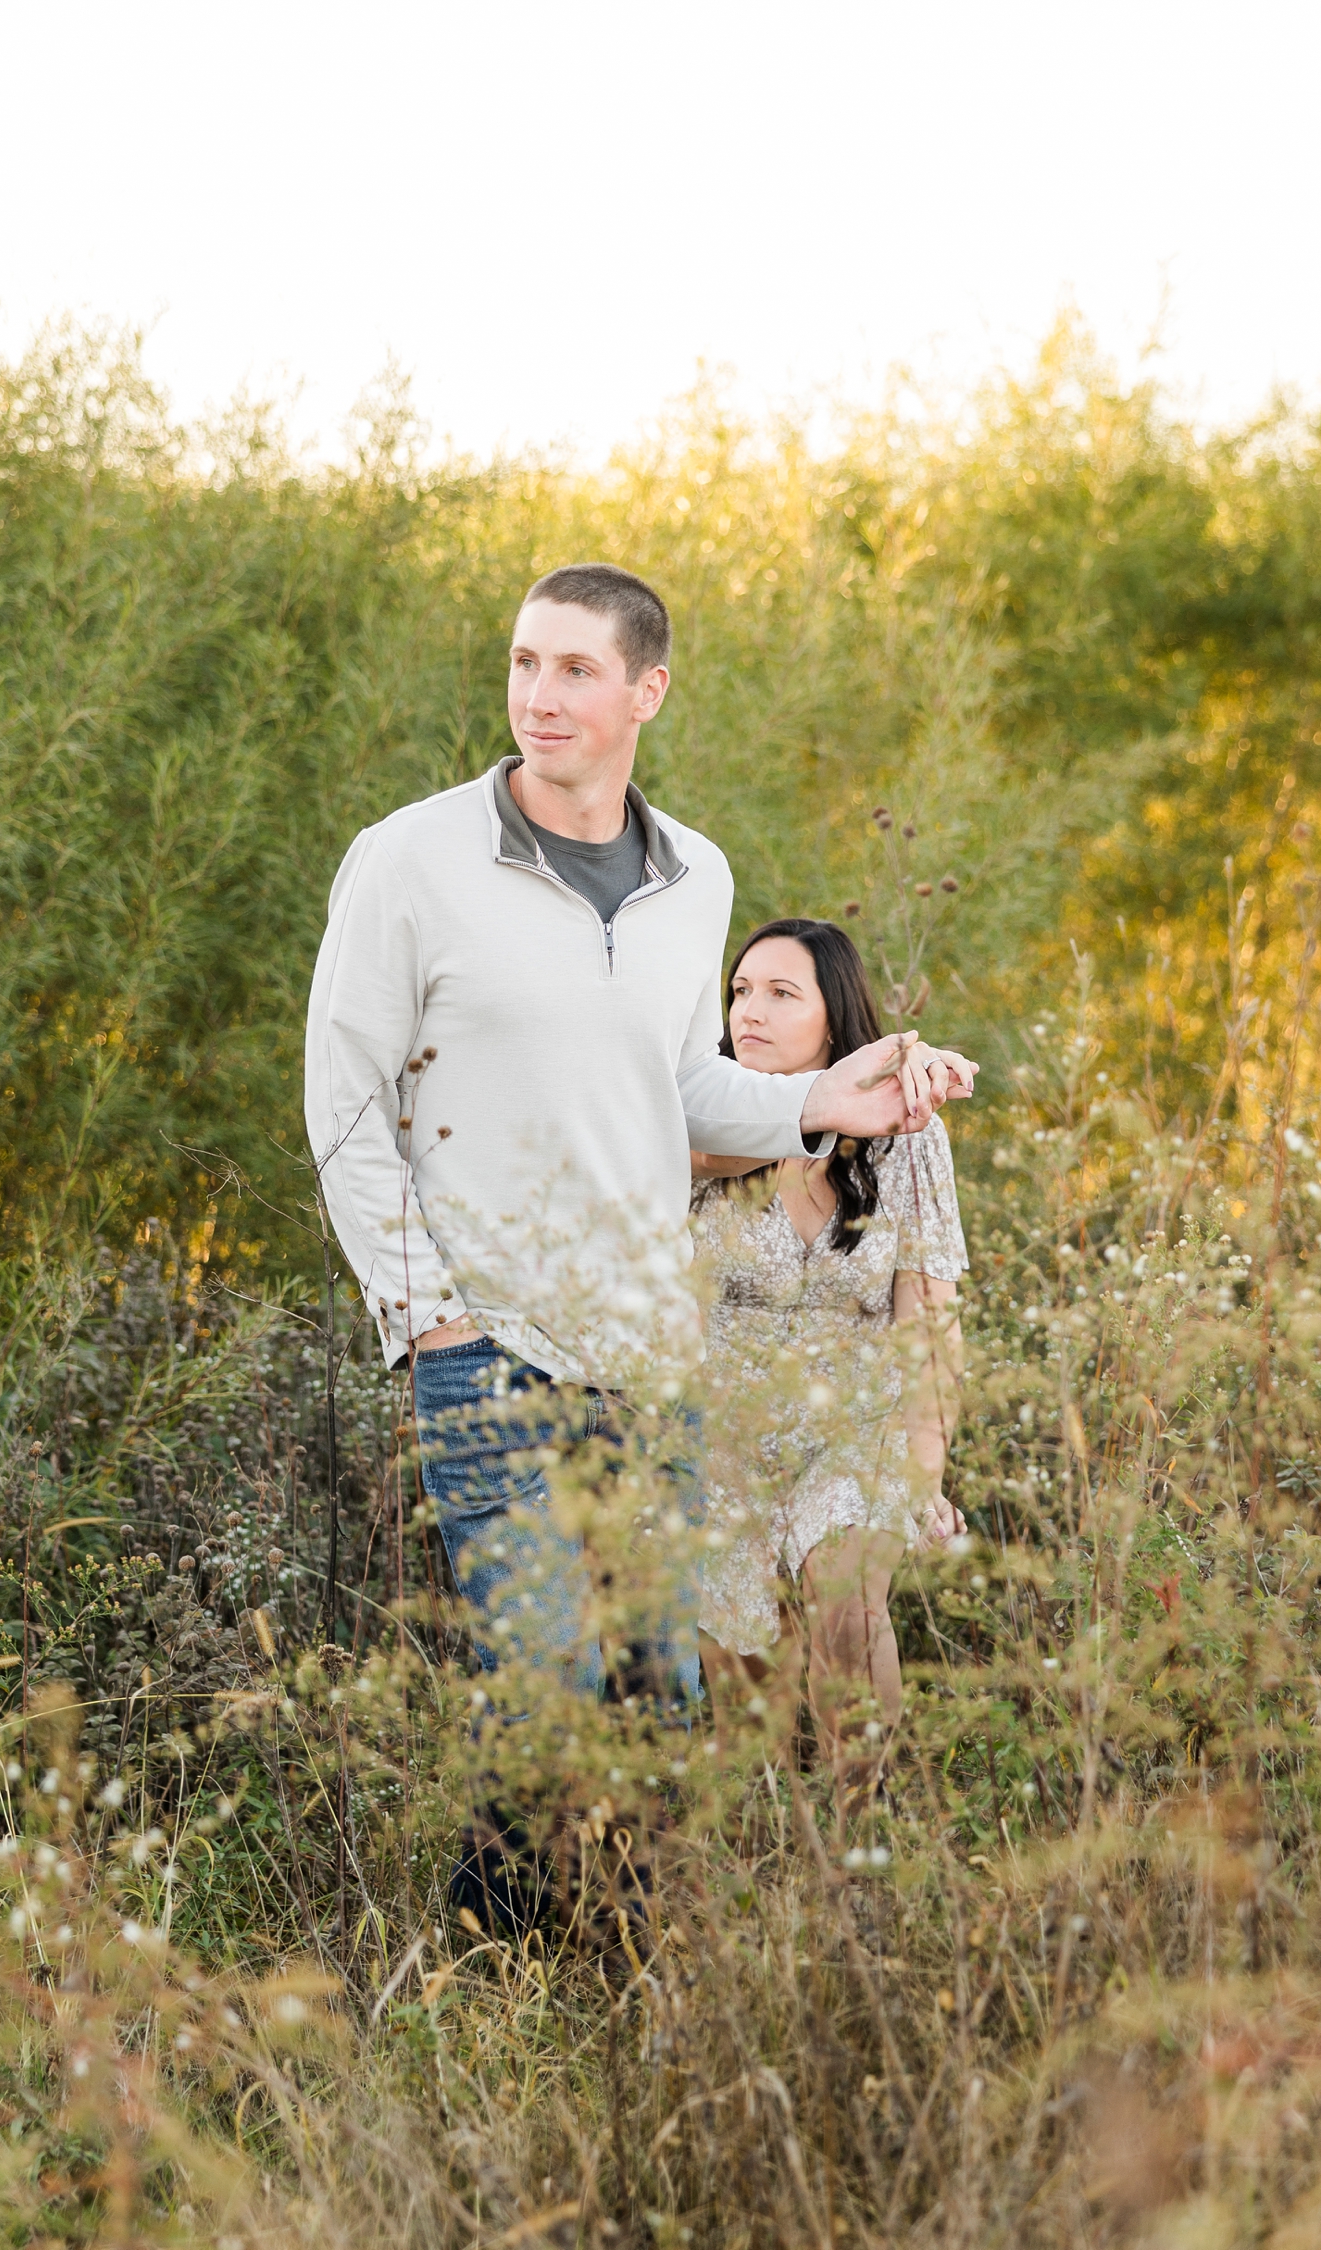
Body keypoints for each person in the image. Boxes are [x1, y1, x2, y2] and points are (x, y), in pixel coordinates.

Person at [305, 563, 978, 1718]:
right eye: (525, 662)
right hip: (490, 1354)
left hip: (651, 1365)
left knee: (656, 1709)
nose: (539, 696)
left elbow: (683, 1090)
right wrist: (431, 1322)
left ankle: (582, 1912)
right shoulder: (411, 858)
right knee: (550, 1700)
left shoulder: (694, 876)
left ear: (647, 691)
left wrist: (832, 1099)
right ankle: (510, 1912)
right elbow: (346, 1102)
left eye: (576, 669)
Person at [690, 918, 968, 1808]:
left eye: (781, 993)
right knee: (745, 1692)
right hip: (719, 1436)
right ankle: (765, 1875)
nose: (750, 1012)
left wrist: (924, 1474)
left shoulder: (906, 1135)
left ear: (834, 1021)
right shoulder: (691, 1128)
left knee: (847, 1610)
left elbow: (929, 1318)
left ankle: (864, 1837)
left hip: (857, 1426)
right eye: (739, 992)